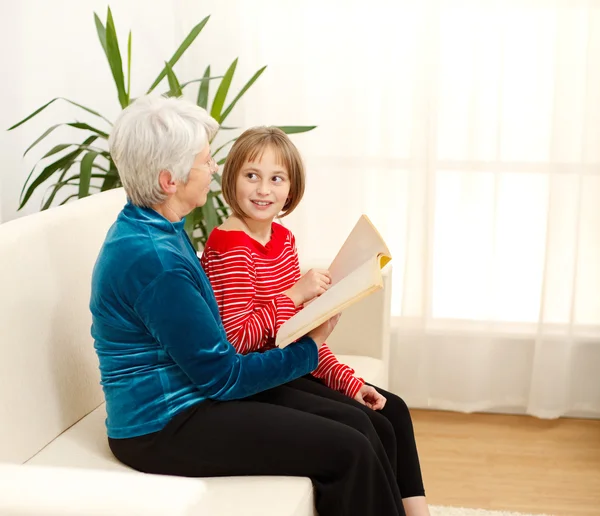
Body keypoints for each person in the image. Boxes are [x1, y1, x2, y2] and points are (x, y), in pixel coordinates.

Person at [90, 94, 406, 516]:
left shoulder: (157, 227)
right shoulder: (156, 260)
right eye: (205, 161)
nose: (214, 169)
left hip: (196, 394)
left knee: (359, 426)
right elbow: (225, 376)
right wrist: (309, 347)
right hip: (164, 425)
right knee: (349, 448)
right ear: (170, 180)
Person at [201, 126, 430, 516]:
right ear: (232, 178)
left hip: (288, 367)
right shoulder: (229, 247)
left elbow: (304, 332)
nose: (263, 190)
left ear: (291, 190)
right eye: (251, 176)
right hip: (254, 380)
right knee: (366, 425)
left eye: (276, 179)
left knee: (392, 411)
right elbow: (235, 339)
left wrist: (347, 381)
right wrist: (293, 295)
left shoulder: (283, 240)